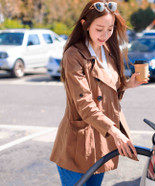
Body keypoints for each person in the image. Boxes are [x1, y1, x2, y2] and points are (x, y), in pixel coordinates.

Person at [50, 0, 148, 185]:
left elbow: (109, 88)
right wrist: (115, 131)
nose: (105, 35)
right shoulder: (74, 55)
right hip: (78, 143)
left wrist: (127, 84)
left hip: (101, 141)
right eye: (99, 29)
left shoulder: (109, 51)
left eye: (110, 29)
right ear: (85, 25)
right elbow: (85, 104)